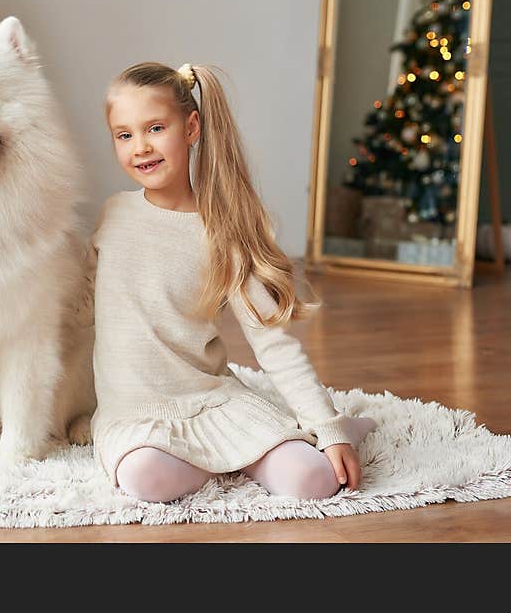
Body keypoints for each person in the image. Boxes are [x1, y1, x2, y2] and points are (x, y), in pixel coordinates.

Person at [81, 61, 377, 503]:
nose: (140, 147)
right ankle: (223, 458)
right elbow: (80, 303)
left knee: (314, 481)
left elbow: (273, 344)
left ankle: (342, 427)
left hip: (209, 401)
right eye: (124, 135)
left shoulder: (221, 231)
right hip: (134, 416)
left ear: (192, 127)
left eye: (156, 128)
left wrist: (329, 430)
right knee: (146, 479)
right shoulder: (114, 214)